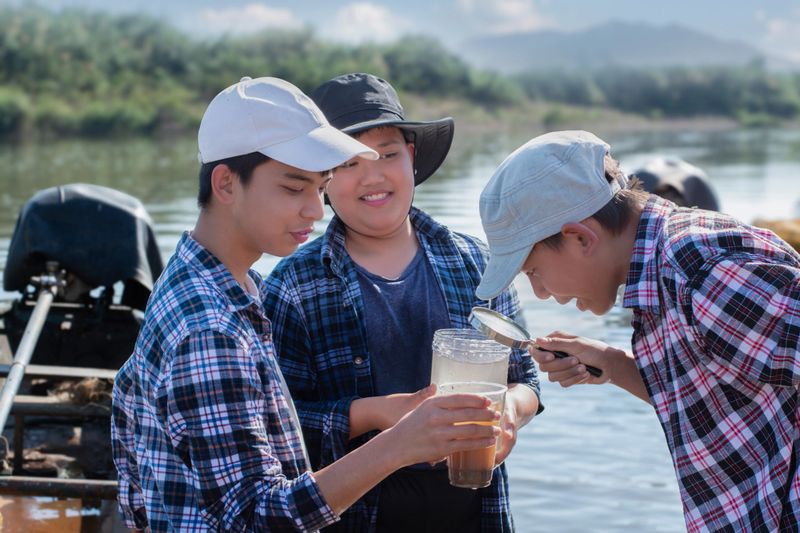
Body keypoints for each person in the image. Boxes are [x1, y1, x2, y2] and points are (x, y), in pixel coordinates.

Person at [110, 76, 503, 532]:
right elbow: (256, 519)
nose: (315, 211)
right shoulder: (209, 327)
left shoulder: (232, 286)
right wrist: (397, 445)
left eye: (319, 188)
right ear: (226, 183)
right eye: (294, 188)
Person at [475, 130, 800, 532]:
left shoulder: (703, 271)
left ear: (580, 238)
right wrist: (612, 364)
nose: (541, 292)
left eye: (534, 272)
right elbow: (716, 399)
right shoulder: (661, 271)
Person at [263, 73, 542, 533]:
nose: (373, 176)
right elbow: (279, 426)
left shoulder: (475, 262)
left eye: (388, 155)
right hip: (357, 514)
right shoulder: (293, 286)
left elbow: (525, 377)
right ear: (323, 178)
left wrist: (513, 408)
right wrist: (377, 413)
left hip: (476, 508)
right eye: (350, 162)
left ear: (411, 158)